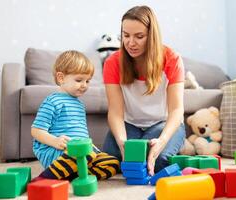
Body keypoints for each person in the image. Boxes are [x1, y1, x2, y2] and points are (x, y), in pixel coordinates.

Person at [102, 5, 186, 176]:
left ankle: (173, 145)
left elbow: (176, 110)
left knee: (159, 161)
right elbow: (115, 112)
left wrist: (162, 142)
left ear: (152, 36)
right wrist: (122, 142)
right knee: (110, 161)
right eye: (126, 35)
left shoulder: (172, 59)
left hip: (161, 124)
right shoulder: (113, 63)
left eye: (139, 36)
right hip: (130, 124)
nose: (131, 43)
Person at [31, 50, 119, 181]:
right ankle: (46, 177)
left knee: (112, 162)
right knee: (85, 152)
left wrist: (91, 147)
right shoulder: (53, 102)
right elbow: (36, 131)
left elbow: (80, 134)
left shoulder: (79, 104)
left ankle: (77, 174)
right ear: (61, 78)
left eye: (87, 81)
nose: (84, 85)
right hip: (56, 151)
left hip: (79, 151)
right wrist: (55, 141)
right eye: (79, 80)